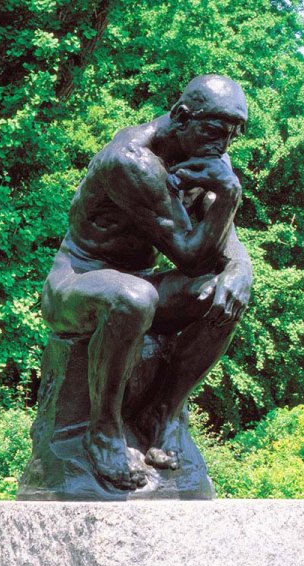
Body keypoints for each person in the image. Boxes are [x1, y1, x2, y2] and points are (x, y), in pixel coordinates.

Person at [40, 75, 253, 490]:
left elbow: (226, 242)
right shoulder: (131, 160)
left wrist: (241, 270)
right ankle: (104, 430)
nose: (223, 145)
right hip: (78, 280)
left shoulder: (211, 157)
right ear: (181, 116)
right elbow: (191, 254)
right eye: (214, 131)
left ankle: (164, 412)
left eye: (231, 135)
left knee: (221, 294)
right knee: (133, 298)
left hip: (141, 281)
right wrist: (228, 196)